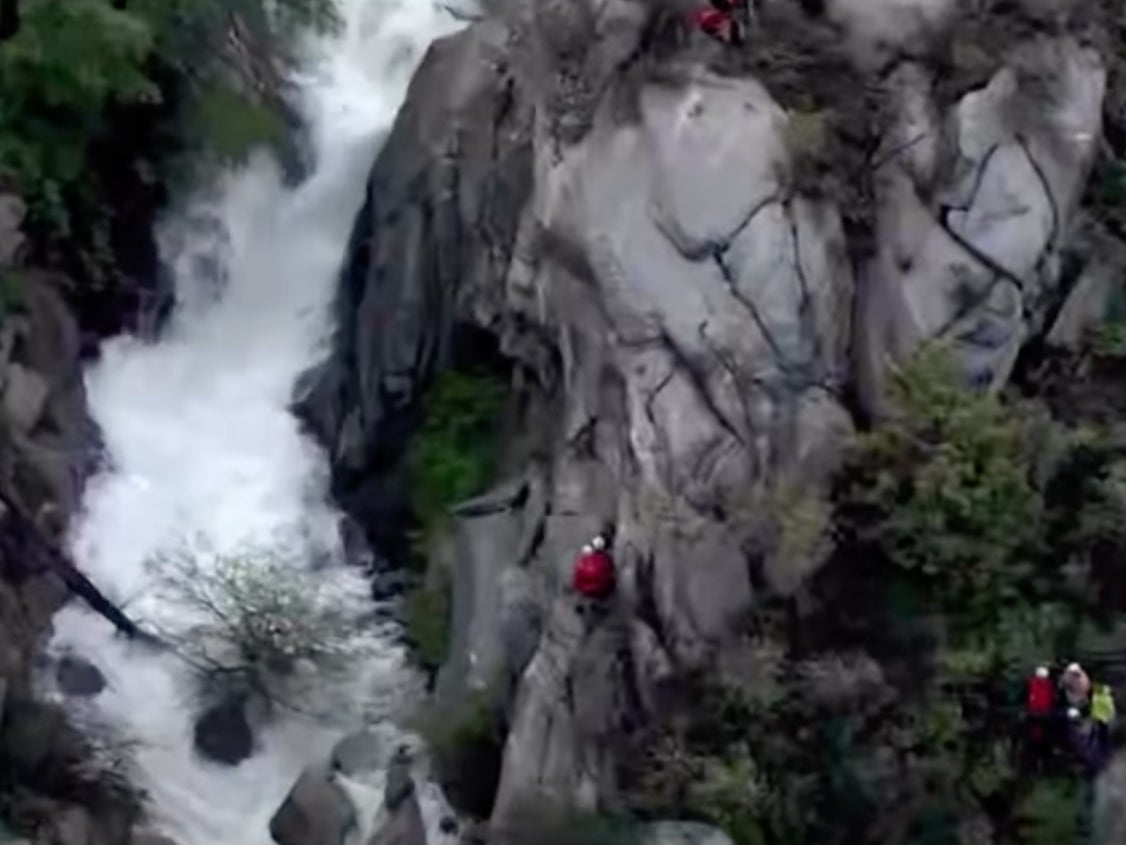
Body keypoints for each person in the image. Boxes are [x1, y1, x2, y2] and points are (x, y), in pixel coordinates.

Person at [1025, 665, 1055, 770]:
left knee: (1039, 740)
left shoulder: (1039, 684)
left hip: (1040, 714)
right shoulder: (1042, 684)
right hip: (1039, 714)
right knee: (1038, 740)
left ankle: (1040, 763)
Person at [572, 535, 617, 603]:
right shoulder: (606, 559)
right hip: (599, 589)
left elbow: (577, 570)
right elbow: (611, 570)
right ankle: (604, 601)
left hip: (581, 586)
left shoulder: (583, 556)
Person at [1092, 684, 1116, 756]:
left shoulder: (1097, 696)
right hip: (1102, 718)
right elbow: (1110, 708)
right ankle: (1104, 750)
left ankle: (1103, 750)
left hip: (1100, 717)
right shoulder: (1105, 698)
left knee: (1101, 734)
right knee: (1102, 734)